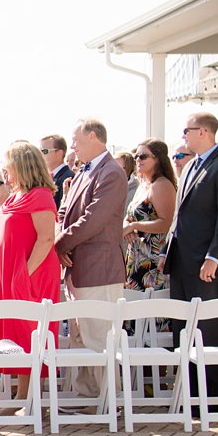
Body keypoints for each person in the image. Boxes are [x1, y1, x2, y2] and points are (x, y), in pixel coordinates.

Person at [161, 111, 218, 404]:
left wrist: (215, 257)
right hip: (182, 262)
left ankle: (215, 400)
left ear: (204, 132)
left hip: (206, 265)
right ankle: (190, 396)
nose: (183, 136)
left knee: (208, 330)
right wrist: (167, 251)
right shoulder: (190, 167)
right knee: (183, 330)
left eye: (187, 130)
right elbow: (179, 215)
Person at [54, 119, 128, 399]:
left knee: (99, 338)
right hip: (78, 270)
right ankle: (88, 399)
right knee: (80, 337)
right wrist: (62, 243)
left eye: (76, 140)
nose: (72, 146)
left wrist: (59, 245)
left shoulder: (111, 173)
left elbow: (92, 220)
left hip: (99, 270)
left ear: (94, 137)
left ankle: (109, 401)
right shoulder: (83, 172)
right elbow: (64, 213)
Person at [0, 141, 62, 400]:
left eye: (7, 167)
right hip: (8, 276)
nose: (4, 172)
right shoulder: (13, 196)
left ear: (22, 166)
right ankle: (21, 395)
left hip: (32, 275)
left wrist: (24, 273)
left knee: (30, 331)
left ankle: (29, 398)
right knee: (14, 333)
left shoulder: (40, 195)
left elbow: (45, 239)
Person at [121, 139, 176, 295]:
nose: (138, 160)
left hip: (153, 260)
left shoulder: (162, 185)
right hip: (136, 257)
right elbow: (130, 216)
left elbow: (166, 223)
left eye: (143, 156)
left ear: (157, 159)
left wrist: (134, 227)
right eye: (136, 156)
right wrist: (128, 227)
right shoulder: (143, 185)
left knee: (152, 313)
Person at [40, 134, 72, 208]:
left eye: (44, 151)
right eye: (39, 151)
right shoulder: (43, 178)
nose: (40, 155)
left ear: (59, 153)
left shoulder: (68, 178)